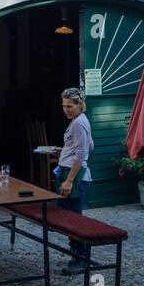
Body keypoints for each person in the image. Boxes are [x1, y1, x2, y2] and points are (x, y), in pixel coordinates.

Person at [52, 87, 94, 274]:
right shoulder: (79, 121)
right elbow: (90, 145)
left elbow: (82, 155)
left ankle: (81, 258)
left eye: (70, 106)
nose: (66, 110)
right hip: (69, 171)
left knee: (74, 219)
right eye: (64, 106)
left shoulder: (78, 123)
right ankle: (76, 252)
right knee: (65, 214)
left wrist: (69, 181)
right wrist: (65, 150)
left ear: (79, 105)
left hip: (75, 177)